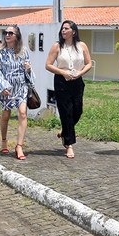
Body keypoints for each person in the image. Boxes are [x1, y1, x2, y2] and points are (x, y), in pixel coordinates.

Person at [45, 20, 92, 159]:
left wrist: (80, 73)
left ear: (74, 31)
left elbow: (89, 63)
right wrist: (63, 72)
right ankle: (69, 145)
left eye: (66, 28)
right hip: (61, 82)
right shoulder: (57, 46)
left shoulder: (81, 45)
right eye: (62, 29)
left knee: (78, 110)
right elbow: (48, 65)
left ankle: (65, 131)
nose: (63, 31)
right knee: (66, 112)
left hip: (77, 81)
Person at [0, 25, 33, 160]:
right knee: (6, 115)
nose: (7, 35)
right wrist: (3, 87)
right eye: (6, 33)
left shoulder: (23, 51)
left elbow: (28, 70)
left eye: (11, 33)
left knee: (22, 113)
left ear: (17, 36)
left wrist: (28, 69)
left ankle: (19, 146)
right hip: (6, 88)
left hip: (21, 86)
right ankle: (4, 140)